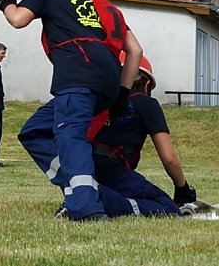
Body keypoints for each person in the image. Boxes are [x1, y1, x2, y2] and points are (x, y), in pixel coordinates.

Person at [0, 0, 144, 222]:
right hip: (108, 79)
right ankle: (79, 188)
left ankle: (87, 207)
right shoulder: (107, 6)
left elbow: (18, 19)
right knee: (35, 131)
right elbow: (135, 51)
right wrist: (122, 96)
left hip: (78, 71)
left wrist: (5, 1)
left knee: (71, 136)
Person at [67, 52, 198, 218]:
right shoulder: (146, 103)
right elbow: (169, 158)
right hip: (112, 169)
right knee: (166, 206)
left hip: (83, 165)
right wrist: (182, 188)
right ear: (146, 82)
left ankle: (84, 196)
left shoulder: (95, 100)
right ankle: (98, 200)